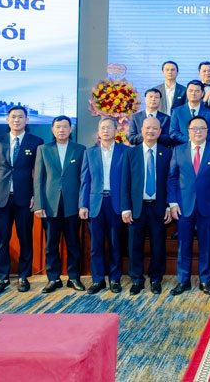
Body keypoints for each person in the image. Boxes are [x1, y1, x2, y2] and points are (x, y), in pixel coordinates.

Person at [0, 106, 45, 294]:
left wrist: (36, 195)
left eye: (20, 117)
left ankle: (23, 277)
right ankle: (2, 277)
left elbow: (39, 173)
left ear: (27, 120)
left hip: (25, 198)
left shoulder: (36, 142)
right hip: (1, 198)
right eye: (13, 117)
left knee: (25, 238)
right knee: (2, 240)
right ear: (7, 120)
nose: (16, 120)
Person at [168, 116, 210, 295]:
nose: (198, 131)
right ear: (188, 131)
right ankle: (183, 281)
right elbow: (172, 179)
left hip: (208, 206)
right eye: (194, 128)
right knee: (183, 245)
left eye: (202, 128)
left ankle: (205, 281)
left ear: (207, 131)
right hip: (183, 206)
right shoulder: (178, 150)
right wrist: (172, 203)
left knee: (206, 245)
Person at [33, 116, 86, 293]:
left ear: (71, 129)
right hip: (50, 205)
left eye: (65, 127)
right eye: (58, 127)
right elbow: (38, 179)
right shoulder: (43, 149)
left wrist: (82, 204)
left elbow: (84, 179)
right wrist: (39, 204)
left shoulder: (80, 149)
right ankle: (53, 279)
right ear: (52, 129)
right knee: (51, 245)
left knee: (73, 244)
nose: (61, 130)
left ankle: (74, 278)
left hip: (72, 205)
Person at [121, 116, 172, 295]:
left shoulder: (167, 153)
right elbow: (125, 182)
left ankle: (156, 279)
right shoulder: (130, 153)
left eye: (154, 128)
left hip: (158, 207)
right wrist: (125, 207)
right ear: (141, 130)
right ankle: (137, 279)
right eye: (147, 128)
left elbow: (170, 182)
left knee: (158, 246)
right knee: (134, 245)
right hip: (137, 208)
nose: (150, 131)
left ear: (160, 132)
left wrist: (168, 206)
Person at [80, 117, 128, 295]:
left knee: (116, 244)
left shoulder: (125, 151)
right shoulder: (89, 152)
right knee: (96, 245)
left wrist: (127, 206)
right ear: (98, 132)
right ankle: (98, 280)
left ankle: (115, 279)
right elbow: (85, 180)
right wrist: (83, 205)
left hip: (116, 204)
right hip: (95, 204)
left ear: (116, 130)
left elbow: (128, 181)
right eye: (102, 128)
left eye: (109, 127)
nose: (105, 130)